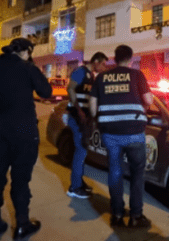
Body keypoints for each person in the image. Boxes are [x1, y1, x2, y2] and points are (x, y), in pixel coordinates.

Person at [0, 38, 52, 241]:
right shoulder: (28, 68)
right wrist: (32, 68)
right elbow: (46, 92)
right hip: (24, 130)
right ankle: (22, 225)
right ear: (27, 51)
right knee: (20, 180)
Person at [90, 45, 153, 228]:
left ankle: (117, 214)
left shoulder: (101, 77)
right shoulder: (137, 75)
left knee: (115, 173)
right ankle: (136, 215)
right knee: (137, 174)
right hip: (134, 132)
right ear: (130, 59)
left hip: (110, 134)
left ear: (114, 59)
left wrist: (97, 119)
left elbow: (93, 106)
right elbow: (148, 100)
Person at [65, 51, 108, 199]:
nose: (103, 66)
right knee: (81, 151)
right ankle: (74, 187)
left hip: (84, 118)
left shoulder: (91, 76)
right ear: (95, 61)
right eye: (102, 63)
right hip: (77, 118)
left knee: (82, 152)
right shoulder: (81, 72)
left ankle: (79, 182)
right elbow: (70, 88)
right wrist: (79, 110)